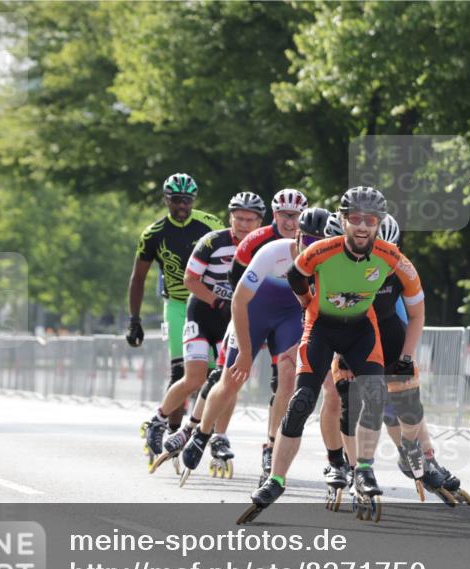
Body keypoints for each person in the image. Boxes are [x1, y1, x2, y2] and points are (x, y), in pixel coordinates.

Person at [237, 186, 424, 525]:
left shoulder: (392, 256)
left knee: (374, 395)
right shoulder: (321, 251)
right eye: (355, 219)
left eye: (371, 220)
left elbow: (417, 311)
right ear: (343, 220)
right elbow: (296, 276)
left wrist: (408, 355)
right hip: (321, 328)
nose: (363, 226)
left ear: (379, 223)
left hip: (361, 331)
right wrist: (308, 303)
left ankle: (363, 470)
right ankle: (275, 481)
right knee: (302, 401)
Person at [323, 213, 469, 506]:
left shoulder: (401, 267)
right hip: (349, 336)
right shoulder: (335, 267)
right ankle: (354, 471)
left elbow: (415, 316)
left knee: (403, 402)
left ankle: (422, 457)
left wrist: (405, 358)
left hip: (390, 332)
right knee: (350, 400)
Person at [178, 203, 323, 487]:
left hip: (290, 317)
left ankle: (271, 446)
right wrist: (245, 352)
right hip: (253, 311)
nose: (311, 249)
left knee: (288, 378)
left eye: (318, 244)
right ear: (297, 237)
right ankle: (203, 433)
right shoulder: (273, 252)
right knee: (232, 378)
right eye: (307, 241)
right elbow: (240, 299)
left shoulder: (325, 259)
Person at [147, 191, 266, 475]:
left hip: (235, 318)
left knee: (230, 377)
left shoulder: (265, 246)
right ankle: (159, 419)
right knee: (195, 377)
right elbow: (190, 279)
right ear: (230, 218)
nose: (243, 225)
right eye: (238, 219)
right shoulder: (213, 241)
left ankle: (219, 437)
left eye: (250, 220)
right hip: (203, 311)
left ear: (260, 221)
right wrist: (216, 300)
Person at [127, 173, 224, 461]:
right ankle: (172, 430)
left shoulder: (210, 224)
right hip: (179, 304)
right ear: (165, 199)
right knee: (181, 372)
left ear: (194, 200)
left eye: (187, 200)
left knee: (213, 374)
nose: (182, 205)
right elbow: (138, 277)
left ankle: (210, 433)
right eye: (176, 199)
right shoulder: (153, 233)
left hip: (211, 302)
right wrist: (135, 319)